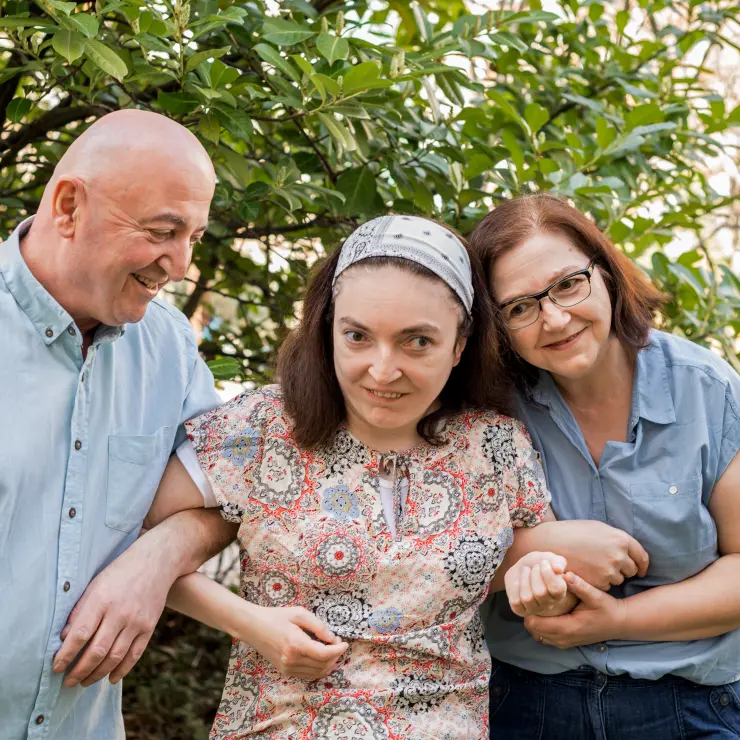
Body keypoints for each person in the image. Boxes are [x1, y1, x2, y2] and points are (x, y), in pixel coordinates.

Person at [99, 214, 593, 739]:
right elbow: (131, 540)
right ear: (328, 329)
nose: (382, 371)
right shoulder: (258, 429)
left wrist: (545, 584)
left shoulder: (499, 446)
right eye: (357, 336)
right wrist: (250, 623)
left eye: (417, 342)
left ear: (459, 345)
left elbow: (545, 584)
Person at [0, 110, 236, 740]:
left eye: (195, 237)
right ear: (70, 206)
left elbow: (233, 489)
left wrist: (155, 562)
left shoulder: (170, 351)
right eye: (164, 230)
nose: (181, 264)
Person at [470, 193, 740, 739]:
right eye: (520, 307)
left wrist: (616, 621)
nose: (555, 318)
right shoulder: (486, 411)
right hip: (528, 704)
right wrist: (546, 546)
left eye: (569, 283)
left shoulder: (705, 389)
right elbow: (418, 559)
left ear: (607, 272)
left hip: (691, 704)